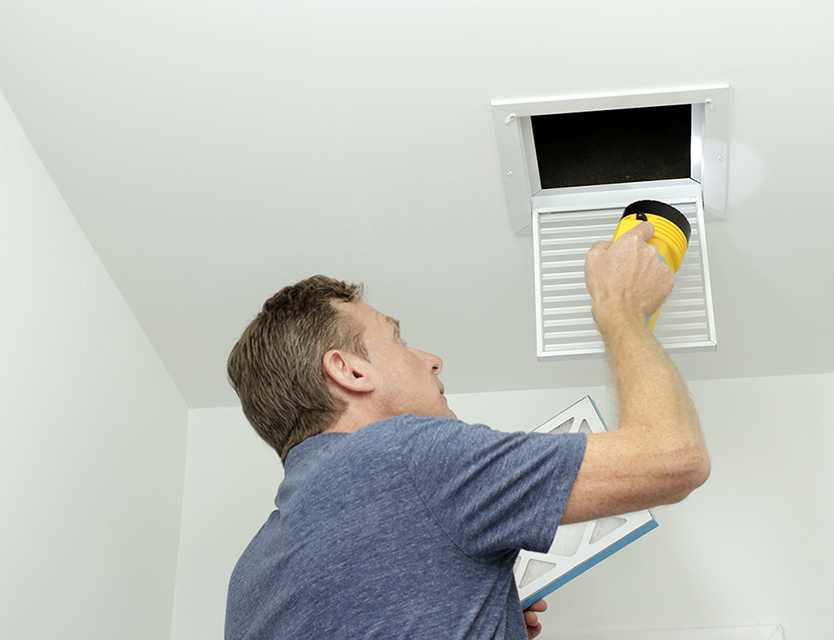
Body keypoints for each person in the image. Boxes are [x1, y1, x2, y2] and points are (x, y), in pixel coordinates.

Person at [224, 221, 710, 639]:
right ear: (350, 371)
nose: (431, 360)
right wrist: (620, 308)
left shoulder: (249, 576)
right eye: (399, 339)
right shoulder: (401, 456)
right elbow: (674, 457)